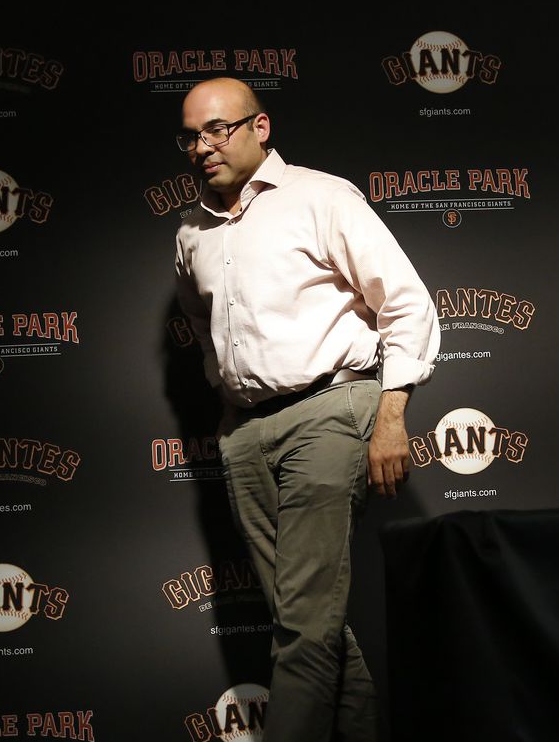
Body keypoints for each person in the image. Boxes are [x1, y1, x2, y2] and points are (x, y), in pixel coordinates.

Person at [172, 77, 439, 741]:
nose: (202, 146)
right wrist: (231, 409)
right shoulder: (192, 232)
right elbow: (205, 329)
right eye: (190, 135)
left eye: (217, 129)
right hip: (244, 435)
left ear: (260, 128)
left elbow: (407, 304)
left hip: (329, 413)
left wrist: (390, 413)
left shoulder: (321, 197)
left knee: (300, 629)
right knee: (310, 624)